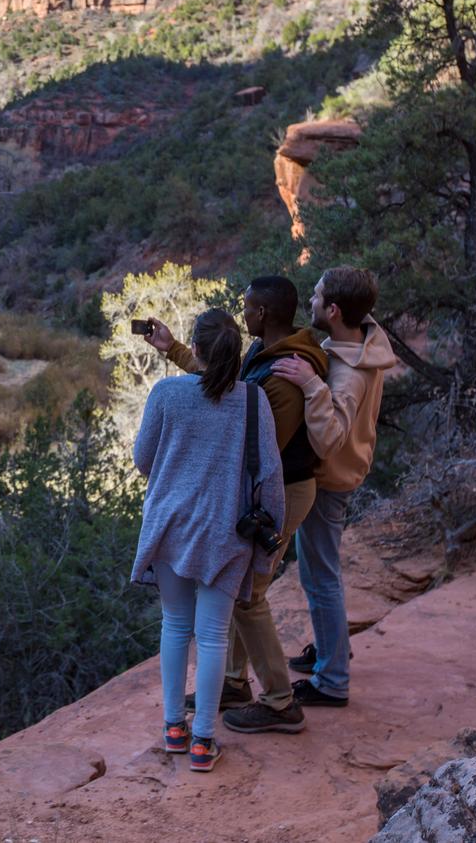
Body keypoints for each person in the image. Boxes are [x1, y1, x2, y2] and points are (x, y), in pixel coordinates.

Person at [143, 277, 328, 735]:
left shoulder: (282, 376)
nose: (243, 312)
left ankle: (280, 700)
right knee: (225, 612)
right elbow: (224, 390)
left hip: (272, 497)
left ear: (263, 313)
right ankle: (228, 687)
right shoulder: (261, 362)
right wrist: (174, 351)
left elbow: (258, 454)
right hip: (248, 500)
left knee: (247, 599)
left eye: (247, 305)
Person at [130, 308, 283, 773]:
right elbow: (270, 478)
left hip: (172, 526)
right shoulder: (254, 401)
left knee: (175, 626)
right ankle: (203, 742)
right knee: (213, 634)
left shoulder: (166, 394)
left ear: (193, 349)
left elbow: (142, 460)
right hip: (224, 533)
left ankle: (173, 727)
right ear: (237, 355)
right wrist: (268, 544)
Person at [269, 266, 396, 709]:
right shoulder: (360, 340)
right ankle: (329, 650)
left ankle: (333, 680)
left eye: (318, 297)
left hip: (329, 481)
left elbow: (330, 437)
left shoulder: (349, 373)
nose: (311, 302)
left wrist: (308, 385)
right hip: (341, 474)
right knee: (319, 573)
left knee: (320, 578)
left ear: (335, 310)